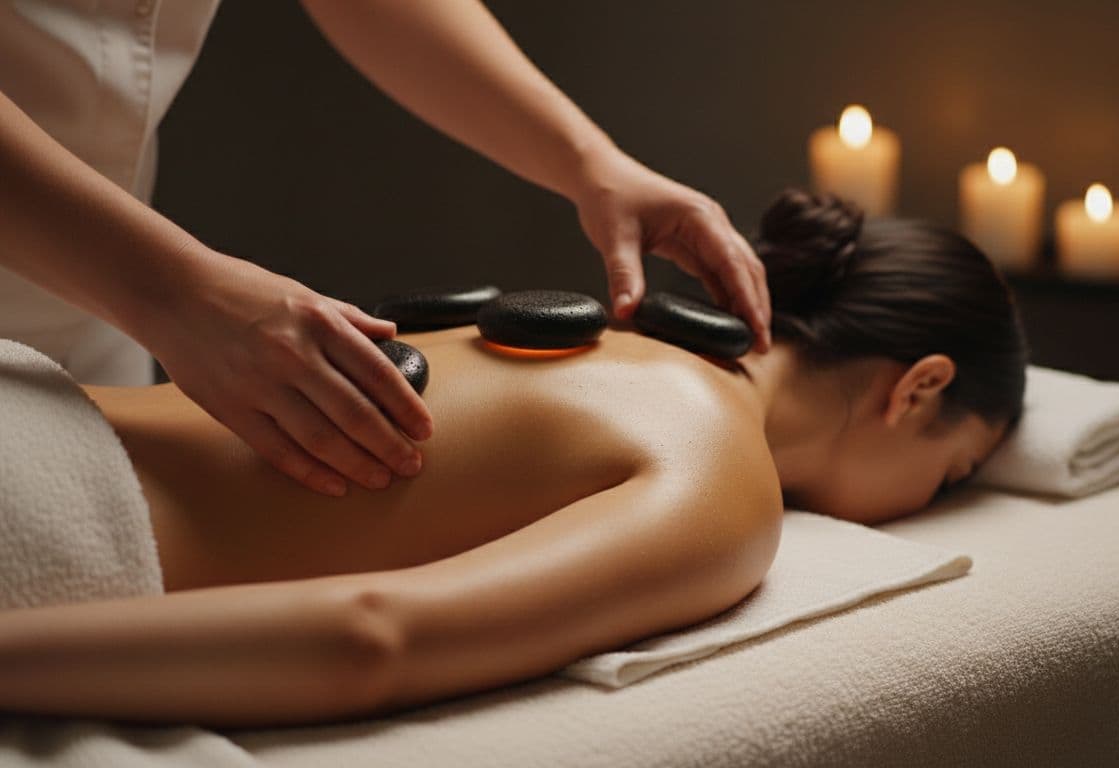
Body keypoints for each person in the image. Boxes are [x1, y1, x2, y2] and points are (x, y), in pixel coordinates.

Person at [0, 190, 1028, 727]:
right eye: (953, 475)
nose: (929, 503)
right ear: (919, 388)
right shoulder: (724, 483)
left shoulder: (582, 330)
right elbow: (371, 638)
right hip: (42, 518)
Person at [0, 0, 771, 499]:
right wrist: (173, 293)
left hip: (96, 321)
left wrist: (590, 163)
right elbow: (369, 638)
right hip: (126, 282)